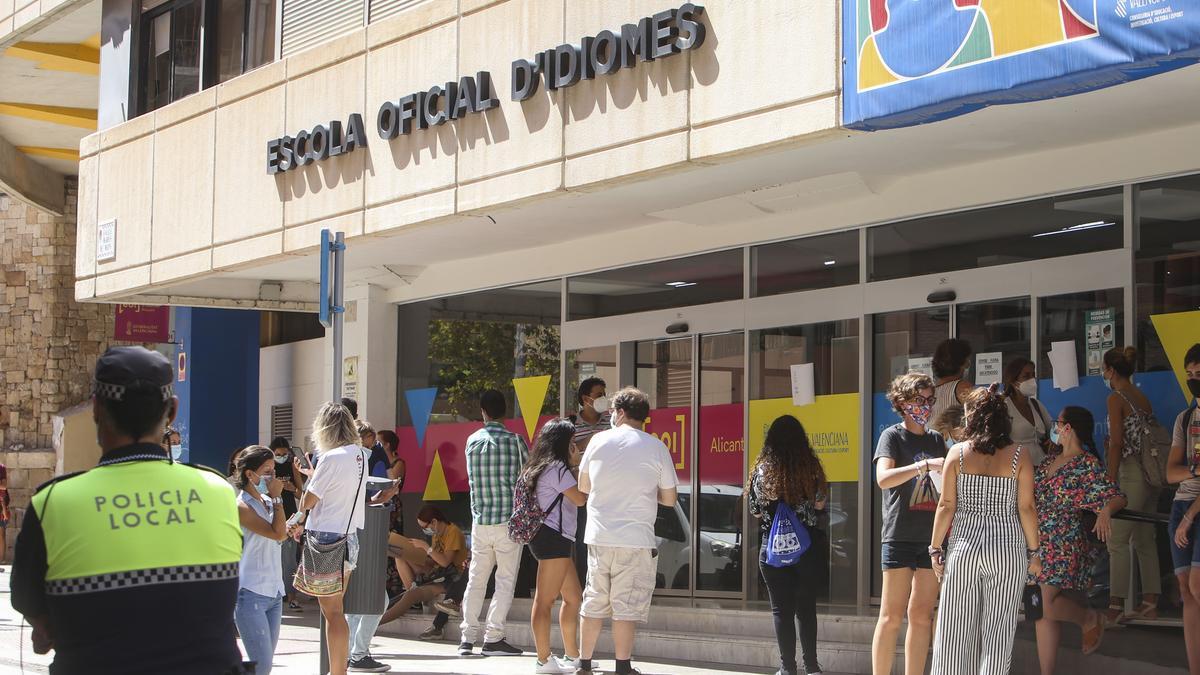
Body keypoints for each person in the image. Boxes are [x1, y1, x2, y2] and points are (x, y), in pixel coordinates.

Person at [10, 346, 244, 674]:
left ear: (96, 409)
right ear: (172, 411)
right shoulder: (218, 491)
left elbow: (30, 604)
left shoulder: (53, 503)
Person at [929, 385, 1041, 675]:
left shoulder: (957, 453)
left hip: (965, 547)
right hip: (1007, 547)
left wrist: (935, 548)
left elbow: (946, 506)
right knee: (998, 632)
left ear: (971, 417)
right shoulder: (1019, 455)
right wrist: (1035, 553)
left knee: (954, 629)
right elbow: (1026, 508)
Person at [576, 387, 679, 675]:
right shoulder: (656, 447)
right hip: (635, 540)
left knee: (593, 600)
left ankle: (584, 663)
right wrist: (649, 493)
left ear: (620, 413)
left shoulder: (597, 441)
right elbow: (670, 499)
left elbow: (584, 488)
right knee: (625, 606)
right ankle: (623, 666)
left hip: (598, 537)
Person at [287, 402, 391, 675]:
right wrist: (315, 474)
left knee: (332, 614)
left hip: (326, 540)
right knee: (337, 612)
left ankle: (337, 672)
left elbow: (309, 500)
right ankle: (338, 670)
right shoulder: (359, 454)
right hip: (349, 538)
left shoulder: (331, 458)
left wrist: (309, 482)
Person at [1032, 406, 1127, 675]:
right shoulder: (1050, 460)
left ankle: (1088, 618)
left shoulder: (1086, 464)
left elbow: (1116, 495)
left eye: (1057, 423)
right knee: (1038, 608)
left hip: (1064, 539)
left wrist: (1106, 511)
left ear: (1067, 428)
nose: (1054, 428)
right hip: (1038, 541)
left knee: (1046, 603)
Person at [871, 372, 946, 675]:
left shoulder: (937, 439)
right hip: (899, 534)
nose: (926, 406)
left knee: (922, 615)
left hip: (930, 538)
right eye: (920, 400)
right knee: (891, 615)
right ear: (902, 403)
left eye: (930, 400)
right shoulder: (892, 436)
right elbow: (883, 479)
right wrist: (923, 465)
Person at [748, 415, 828, 675]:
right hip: (807, 548)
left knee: (781, 609)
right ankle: (812, 667)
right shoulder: (811, 467)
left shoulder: (762, 470)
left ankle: (787, 668)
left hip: (772, 550)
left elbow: (755, 511)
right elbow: (819, 504)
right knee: (806, 609)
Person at [458, 389, 528, 657]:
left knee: (476, 579)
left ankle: (467, 637)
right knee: (505, 581)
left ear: (483, 411)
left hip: (480, 521)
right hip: (508, 522)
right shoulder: (515, 441)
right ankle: (494, 636)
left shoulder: (472, 442)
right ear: (506, 411)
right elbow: (527, 478)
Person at [521, 418, 588, 674]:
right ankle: (543, 660)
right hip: (553, 539)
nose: (575, 446)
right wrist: (575, 464)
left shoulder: (538, 465)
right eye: (572, 441)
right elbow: (580, 499)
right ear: (562, 443)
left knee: (573, 598)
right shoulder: (557, 468)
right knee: (545, 600)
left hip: (551, 538)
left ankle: (572, 655)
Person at [1101, 346, 1162, 623]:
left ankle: (1115, 606)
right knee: (1144, 539)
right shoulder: (1142, 397)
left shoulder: (1116, 398)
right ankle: (1150, 601)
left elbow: (1116, 443)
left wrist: (1109, 482)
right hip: (1151, 474)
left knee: (1118, 539)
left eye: (1104, 369)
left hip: (1131, 473)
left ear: (1111, 371)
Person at [232, 446, 288, 675]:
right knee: (261, 666)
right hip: (251, 592)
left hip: (274, 591)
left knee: (264, 665)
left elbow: (280, 533)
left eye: (274, 471)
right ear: (249, 474)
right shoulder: (242, 505)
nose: (272, 477)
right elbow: (276, 533)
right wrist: (277, 499)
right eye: (267, 471)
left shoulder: (267, 500)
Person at [1166, 343, 1200, 674]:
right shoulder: (1185, 417)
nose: (1193, 380)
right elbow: (1170, 472)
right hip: (1182, 503)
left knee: (1197, 586)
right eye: (1189, 374)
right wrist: (1194, 471)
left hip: (1191, 512)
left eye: (1198, 374)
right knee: (1186, 589)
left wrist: (1190, 517)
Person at [379, 506, 468, 628]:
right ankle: (412, 590)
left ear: (434, 522)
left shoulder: (453, 532)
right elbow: (435, 561)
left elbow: (445, 562)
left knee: (409, 597)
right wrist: (414, 553)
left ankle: (375, 624)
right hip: (436, 573)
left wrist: (426, 547)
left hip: (450, 579)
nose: (424, 530)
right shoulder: (437, 533)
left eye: (424, 527)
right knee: (399, 555)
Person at [571, 377, 611, 585]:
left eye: (605, 394)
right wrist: (594, 438)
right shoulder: (571, 424)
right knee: (582, 541)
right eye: (599, 395)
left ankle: (603, 583)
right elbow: (568, 455)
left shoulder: (611, 422)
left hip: (608, 493)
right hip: (582, 494)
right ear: (586, 399)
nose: (603, 399)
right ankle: (584, 584)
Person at [270, 437, 307, 612]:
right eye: (278, 454)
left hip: (290, 515)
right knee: (273, 557)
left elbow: (302, 494)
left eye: (284, 454)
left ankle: (292, 596)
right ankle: (277, 593)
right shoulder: (268, 467)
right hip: (271, 514)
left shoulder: (292, 466)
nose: (281, 457)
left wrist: (292, 488)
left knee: (289, 557)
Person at [1002, 357, 1053, 466]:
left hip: (1042, 468)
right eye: (1026, 376)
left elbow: (1053, 428)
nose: (1031, 379)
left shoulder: (1036, 404)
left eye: (1032, 375)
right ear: (1013, 381)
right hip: (1015, 469)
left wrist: (1053, 441)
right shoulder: (1003, 407)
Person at [930, 339, 974, 428]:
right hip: (955, 440)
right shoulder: (962, 387)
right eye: (967, 360)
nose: (969, 364)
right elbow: (978, 416)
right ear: (963, 363)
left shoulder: (929, 392)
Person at [0, 461, 9, 567]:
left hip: (1, 504)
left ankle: (1, 561)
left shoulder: (1, 468)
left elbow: (4, 486)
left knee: (1, 534)